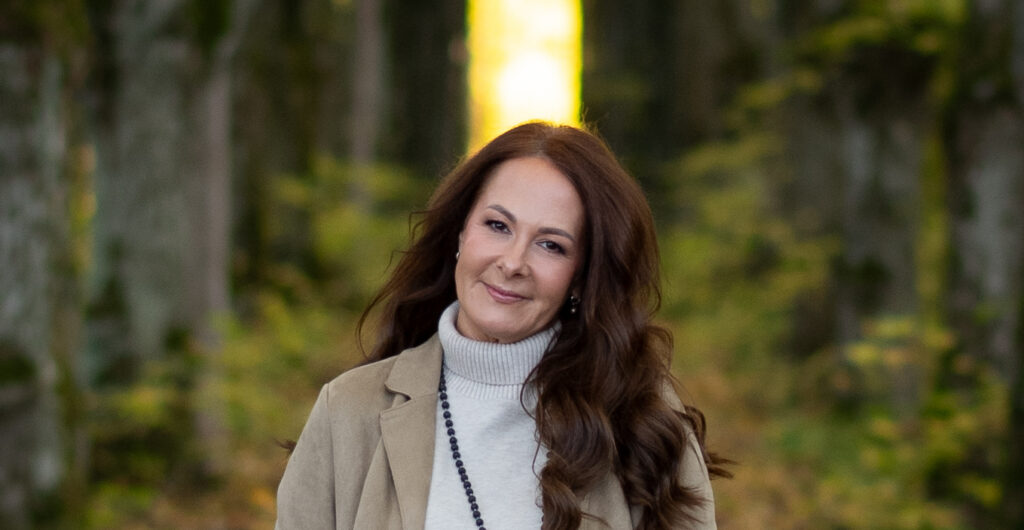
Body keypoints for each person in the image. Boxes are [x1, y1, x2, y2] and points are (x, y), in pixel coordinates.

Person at [276, 122, 729, 529]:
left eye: (551, 245)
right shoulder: (348, 410)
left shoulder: (643, 421)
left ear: (581, 277)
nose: (513, 263)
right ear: (460, 233)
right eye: (497, 225)